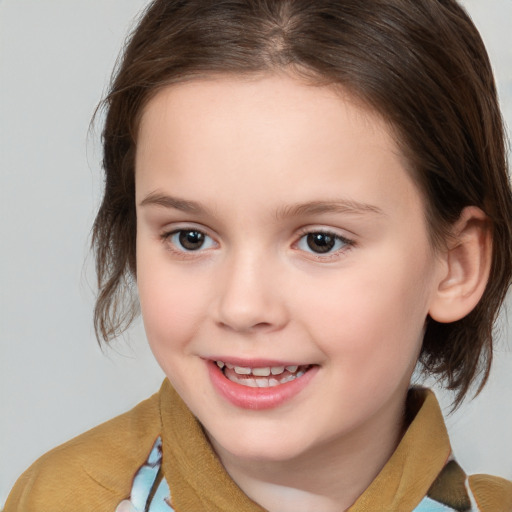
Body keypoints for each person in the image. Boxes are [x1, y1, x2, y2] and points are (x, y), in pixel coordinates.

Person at [5, 0, 512, 510]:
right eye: (190, 237)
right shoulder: (59, 498)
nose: (243, 307)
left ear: (456, 264)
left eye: (321, 241)